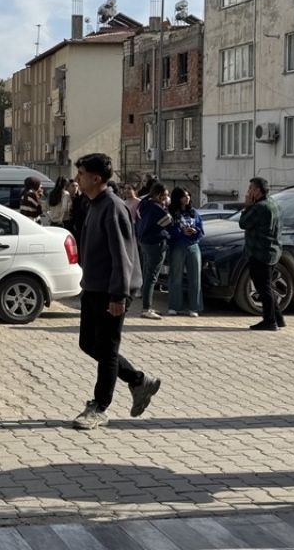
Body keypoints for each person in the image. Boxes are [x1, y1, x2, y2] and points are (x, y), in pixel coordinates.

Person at [70, 153, 161, 430]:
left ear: (96, 178)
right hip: (94, 287)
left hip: (112, 289)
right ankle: (137, 380)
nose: (77, 178)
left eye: (82, 173)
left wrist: (119, 295)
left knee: (108, 350)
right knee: (88, 343)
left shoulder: (113, 206)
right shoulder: (94, 204)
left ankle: (99, 407)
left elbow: (123, 256)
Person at [240, 177, 284, 331]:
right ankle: (278, 318)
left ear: (258, 190)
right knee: (267, 286)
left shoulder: (259, 207)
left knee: (263, 288)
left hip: (260, 253)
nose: (248, 191)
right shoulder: (273, 203)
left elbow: (243, 223)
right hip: (272, 251)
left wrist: (247, 206)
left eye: (251, 188)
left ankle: (269, 321)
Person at [165, 187, 204, 318]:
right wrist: (180, 232)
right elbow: (168, 230)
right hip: (178, 246)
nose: (187, 198)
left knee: (195, 277)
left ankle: (194, 307)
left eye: (188, 196)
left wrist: (195, 231)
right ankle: (174, 306)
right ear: (178, 198)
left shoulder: (194, 213)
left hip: (193, 246)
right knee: (176, 277)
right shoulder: (171, 213)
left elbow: (201, 230)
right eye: (183, 196)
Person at [134, 183, 169, 321]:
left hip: (144, 241)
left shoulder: (143, 203)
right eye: (165, 195)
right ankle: (146, 308)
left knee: (148, 274)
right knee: (152, 276)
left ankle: (147, 306)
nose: (166, 198)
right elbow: (169, 222)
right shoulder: (157, 208)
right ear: (158, 195)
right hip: (156, 243)